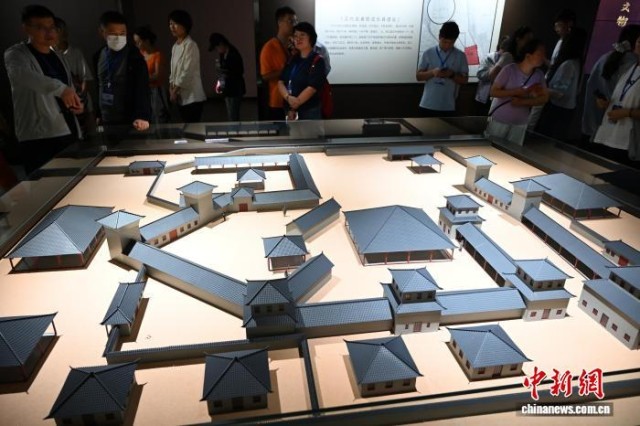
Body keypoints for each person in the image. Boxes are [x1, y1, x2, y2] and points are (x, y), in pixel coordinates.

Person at [4, 5, 83, 174]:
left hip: (66, 129)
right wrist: (62, 89)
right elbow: (24, 76)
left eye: (52, 27)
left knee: (72, 178)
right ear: (26, 29)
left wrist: (76, 103)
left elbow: (68, 87)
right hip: (38, 135)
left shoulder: (58, 56)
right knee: (42, 182)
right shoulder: (16, 54)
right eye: (41, 28)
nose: (49, 32)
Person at [485, 39, 549, 145]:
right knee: (492, 147)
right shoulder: (509, 70)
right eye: (539, 54)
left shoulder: (539, 75)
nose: (543, 57)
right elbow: (493, 92)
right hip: (500, 119)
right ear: (528, 55)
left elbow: (544, 98)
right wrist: (516, 91)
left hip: (521, 122)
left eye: (544, 54)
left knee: (513, 151)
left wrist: (522, 102)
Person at [583, 25, 640, 141]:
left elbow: (591, 85)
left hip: (597, 123)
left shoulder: (606, 57)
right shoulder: (633, 63)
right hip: (622, 129)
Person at [95, 11, 150, 131]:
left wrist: (141, 115)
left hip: (129, 118)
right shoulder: (98, 55)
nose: (118, 38)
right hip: (106, 116)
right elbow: (98, 85)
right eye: (113, 34)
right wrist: (97, 113)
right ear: (102, 32)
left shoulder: (134, 56)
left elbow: (142, 88)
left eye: (122, 34)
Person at [593, 35, 640, 164]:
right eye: (639, 40)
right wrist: (606, 103)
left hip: (629, 143)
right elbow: (621, 97)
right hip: (608, 134)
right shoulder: (629, 67)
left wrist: (627, 113)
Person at [536, 28, 587, 140]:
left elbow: (559, 93)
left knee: (545, 140)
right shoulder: (578, 64)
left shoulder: (568, 64)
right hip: (567, 110)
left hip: (558, 109)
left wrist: (539, 89)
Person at [416, 21, 469, 117]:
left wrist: (451, 75)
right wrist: (433, 72)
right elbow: (418, 76)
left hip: (448, 106)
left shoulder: (460, 56)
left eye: (451, 43)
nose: (447, 45)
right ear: (439, 37)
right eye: (445, 42)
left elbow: (465, 80)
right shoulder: (428, 53)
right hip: (427, 104)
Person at [277, 22, 326, 120]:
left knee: (310, 130)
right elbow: (280, 82)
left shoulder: (317, 60)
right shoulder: (292, 59)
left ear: (311, 38)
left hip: (309, 110)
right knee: (291, 130)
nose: (298, 39)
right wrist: (288, 97)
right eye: (295, 36)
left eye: (302, 35)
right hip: (290, 109)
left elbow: (312, 87)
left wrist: (296, 102)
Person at [53, 17, 94, 134]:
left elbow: (85, 77)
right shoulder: (50, 54)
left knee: (88, 130)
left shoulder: (75, 53)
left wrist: (81, 97)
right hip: (61, 102)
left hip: (80, 98)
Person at [168, 10, 207, 123]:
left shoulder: (191, 45)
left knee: (193, 127)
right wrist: (171, 87)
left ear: (184, 25)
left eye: (175, 24)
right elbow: (173, 71)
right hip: (180, 96)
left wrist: (174, 91)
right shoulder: (175, 46)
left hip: (192, 97)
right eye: (170, 24)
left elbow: (187, 72)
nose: (172, 27)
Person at [260, 6, 296, 120]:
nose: (294, 24)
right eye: (290, 21)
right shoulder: (269, 47)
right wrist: (287, 70)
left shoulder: (295, 44)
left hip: (296, 100)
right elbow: (265, 76)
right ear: (280, 22)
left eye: (295, 21)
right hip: (278, 101)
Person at [133, 26, 170, 124]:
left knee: (157, 116)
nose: (137, 45)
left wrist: (142, 79)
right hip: (143, 91)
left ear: (147, 41)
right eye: (135, 42)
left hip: (155, 92)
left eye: (139, 42)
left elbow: (157, 75)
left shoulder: (157, 55)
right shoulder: (138, 55)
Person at [208, 33, 246, 122]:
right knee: (230, 115)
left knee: (233, 115)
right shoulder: (223, 54)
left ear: (221, 44)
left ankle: (234, 129)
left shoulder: (233, 54)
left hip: (235, 89)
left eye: (217, 48)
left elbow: (239, 71)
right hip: (228, 89)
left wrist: (226, 72)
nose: (217, 51)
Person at [475, 36, 510, 114]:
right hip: (484, 97)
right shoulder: (488, 57)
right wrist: (494, 69)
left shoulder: (511, 62)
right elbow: (480, 74)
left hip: (500, 99)